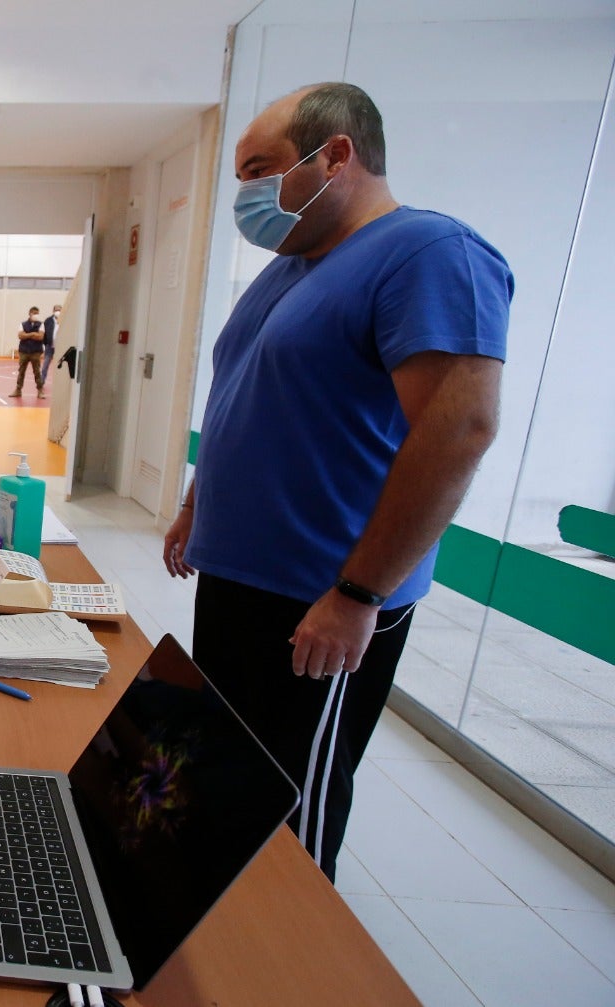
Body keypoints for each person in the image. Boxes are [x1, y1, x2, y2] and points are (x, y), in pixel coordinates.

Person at [161, 83, 510, 881]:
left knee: (291, 798)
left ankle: (290, 963)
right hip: (240, 580)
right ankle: (212, 926)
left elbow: (460, 428)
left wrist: (358, 593)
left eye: (261, 169)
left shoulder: (428, 253)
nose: (248, 192)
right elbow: (244, 394)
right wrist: (195, 503)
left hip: (318, 600)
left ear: (336, 156)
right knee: (226, 769)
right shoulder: (292, 268)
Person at [13, 306, 45, 398]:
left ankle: (40, 390)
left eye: (37, 313)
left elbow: (40, 337)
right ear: (30, 313)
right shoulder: (22, 324)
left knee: (37, 372)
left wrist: (27, 335)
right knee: (21, 371)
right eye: (34, 313)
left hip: (36, 351)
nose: (36, 315)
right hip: (24, 351)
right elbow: (20, 335)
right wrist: (33, 334)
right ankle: (18, 390)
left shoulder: (41, 324)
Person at [40, 303, 62, 386]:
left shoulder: (65, 320)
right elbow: (44, 333)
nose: (58, 312)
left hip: (60, 347)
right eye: (56, 310)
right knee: (46, 364)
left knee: (61, 365)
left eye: (59, 310)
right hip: (49, 346)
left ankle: (59, 383)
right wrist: (44, 344)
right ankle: (42, 380)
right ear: (53, 311)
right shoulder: (48, 320)